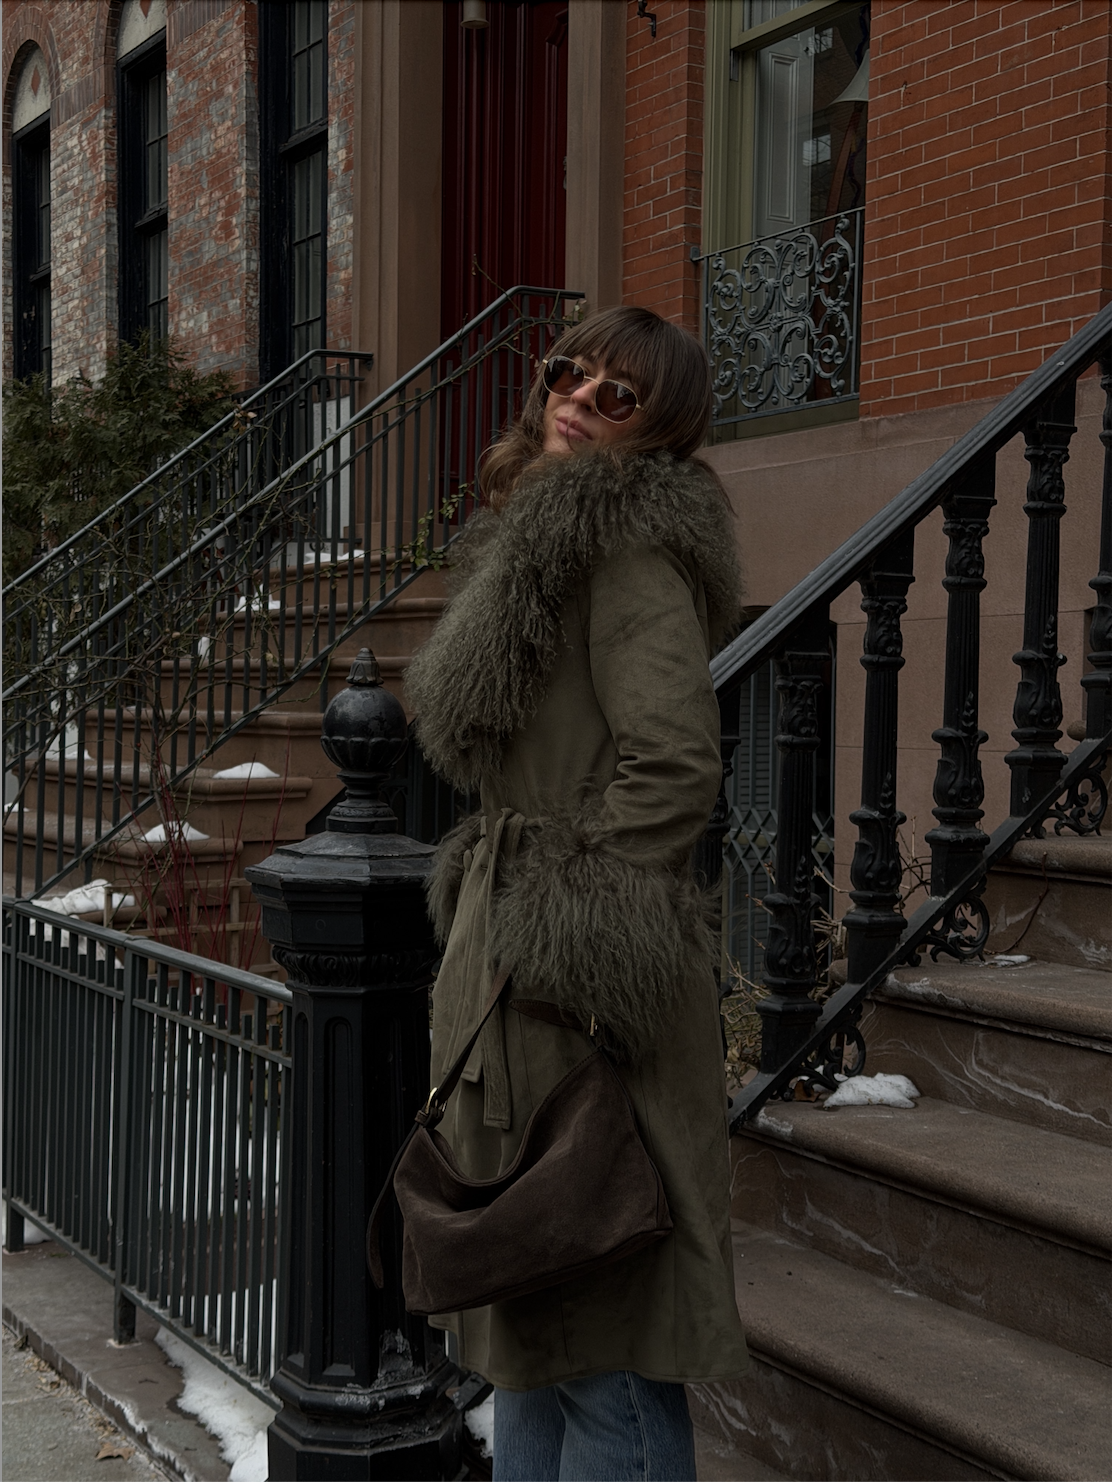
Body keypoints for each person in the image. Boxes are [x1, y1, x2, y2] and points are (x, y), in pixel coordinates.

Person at [405, 305, 749, 1482]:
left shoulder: (624, 549)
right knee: (531, 1341)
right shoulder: (533, 544)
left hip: (575, 988)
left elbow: (675, 767)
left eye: (618, 396)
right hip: (515, 978)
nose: (578, 399)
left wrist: (562, 924)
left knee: (601, 1344)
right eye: (570, 373)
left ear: (659, 432)